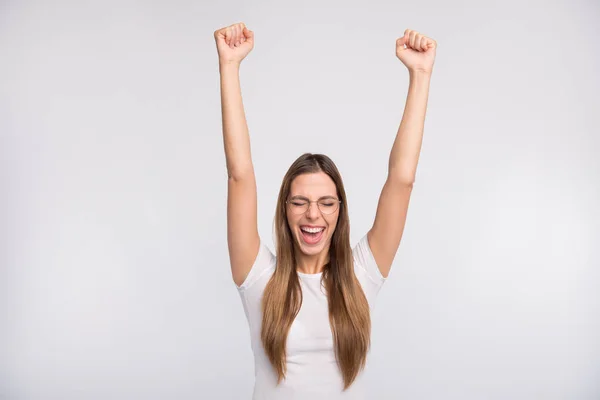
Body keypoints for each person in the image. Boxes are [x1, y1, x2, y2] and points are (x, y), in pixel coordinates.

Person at [214, 22, 436, 399]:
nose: (312, 214)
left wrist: (420, 74)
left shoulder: (361, 275)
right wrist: (229, 67)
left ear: (340, 212)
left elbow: (402, 180)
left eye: (325, 203)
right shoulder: (258, 280)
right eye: (299, 202)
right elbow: (239, 175)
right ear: (285, 210)